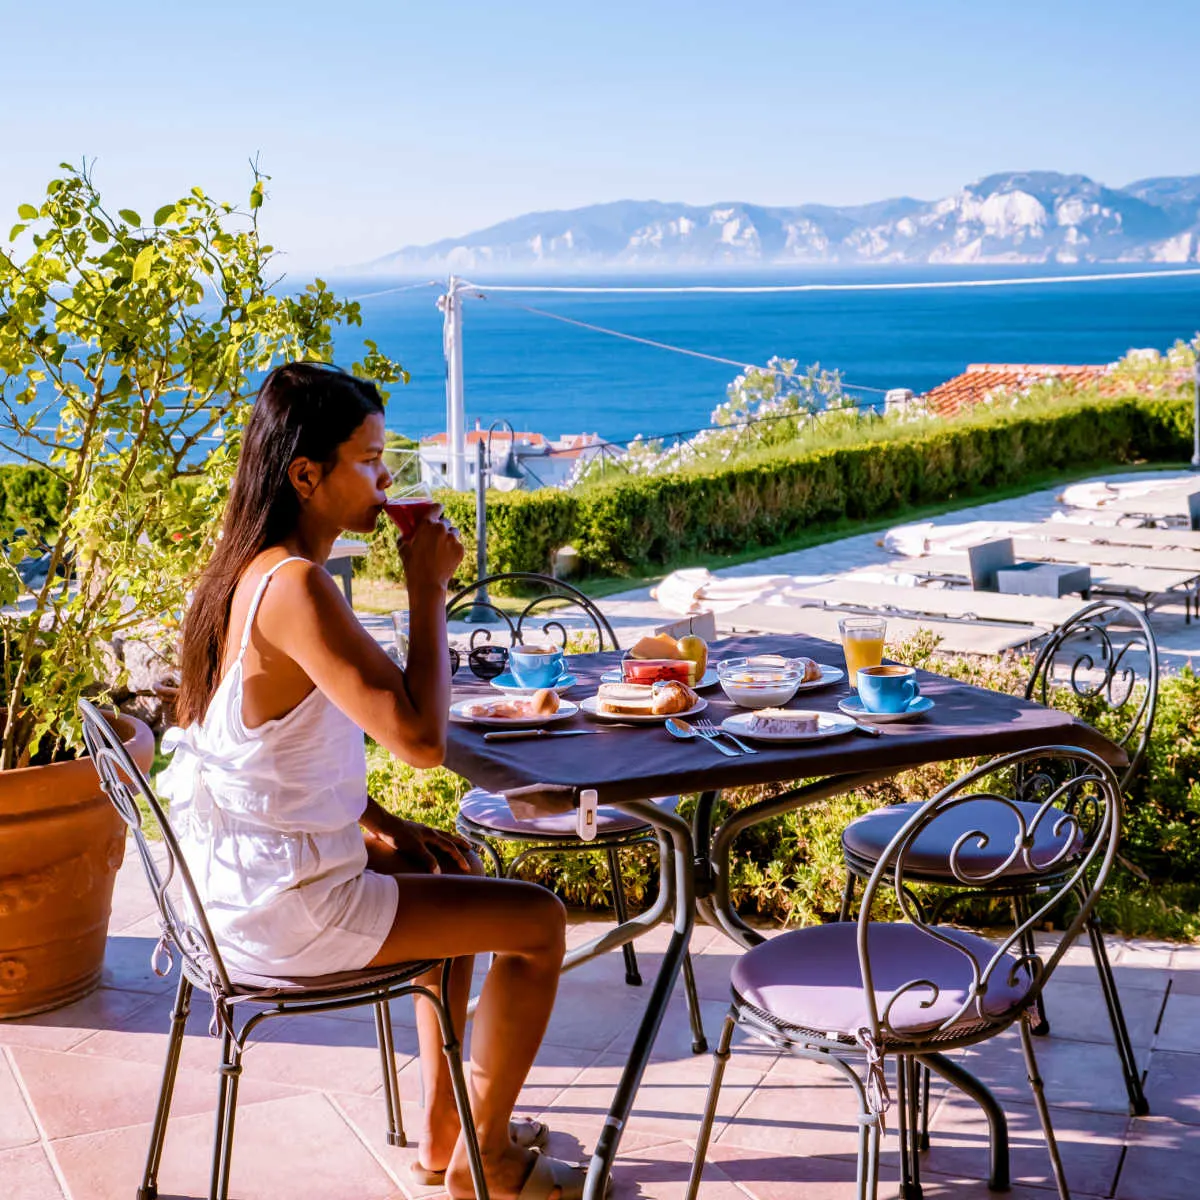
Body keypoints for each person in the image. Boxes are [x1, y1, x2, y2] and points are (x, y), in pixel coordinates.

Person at [161, 362, 583, 1200]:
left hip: (232, 889)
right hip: (287, 909)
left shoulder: (243, 571)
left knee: (448, 865)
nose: (388, 477)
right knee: (538, 924)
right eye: (369, 457)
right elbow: (422, 738)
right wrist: (431, 589)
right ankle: (485, 1164)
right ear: (307, 475)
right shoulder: (299, 589)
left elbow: (263, 752)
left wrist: (372, 817)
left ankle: (448, 1133)